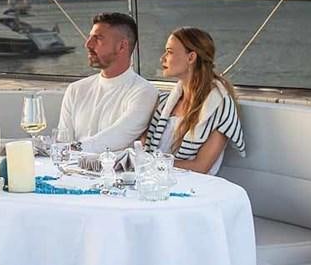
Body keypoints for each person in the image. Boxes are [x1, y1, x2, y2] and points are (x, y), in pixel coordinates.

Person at [142, 27, 245, 174]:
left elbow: (201, 166)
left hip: (193, 188)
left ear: (191, 58)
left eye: (170, 52)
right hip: (156, 182)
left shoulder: (219, 107)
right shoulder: (164, 103)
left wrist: (151, 164)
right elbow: (143, 146)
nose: (162, 58)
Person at [56, 12, 159, 154]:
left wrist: (71, 149)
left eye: (98, 38)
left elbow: (117, 137)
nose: (88, 44)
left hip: (115, 174)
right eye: (90, 37)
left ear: (122, 46)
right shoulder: (75, 89)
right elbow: (63, 140)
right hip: (72, 170)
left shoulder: (144, 92)